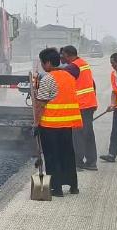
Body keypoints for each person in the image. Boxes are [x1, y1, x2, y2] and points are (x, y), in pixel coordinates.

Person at [33, 47, 83, 197]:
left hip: (50, 125)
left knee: (52, 156)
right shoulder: (69, 76)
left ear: (48, 63)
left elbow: (41, 103)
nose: (42, 66)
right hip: (67, 124)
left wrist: (36, 123)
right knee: (67, 154)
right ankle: (73, 186)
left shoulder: (48, 79)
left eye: (42, 63)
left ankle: (57, 189)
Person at [60, 45, 98, 171]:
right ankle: (91, 162)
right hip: (89, 104)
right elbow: (92, 84)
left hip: (82, 105)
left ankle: (78, 162)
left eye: (63, 55)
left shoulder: (73, 66)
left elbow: (59, 76)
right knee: (88, 133)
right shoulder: (83, 64)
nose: (62, 58)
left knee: (78, 135)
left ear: (68, 55)